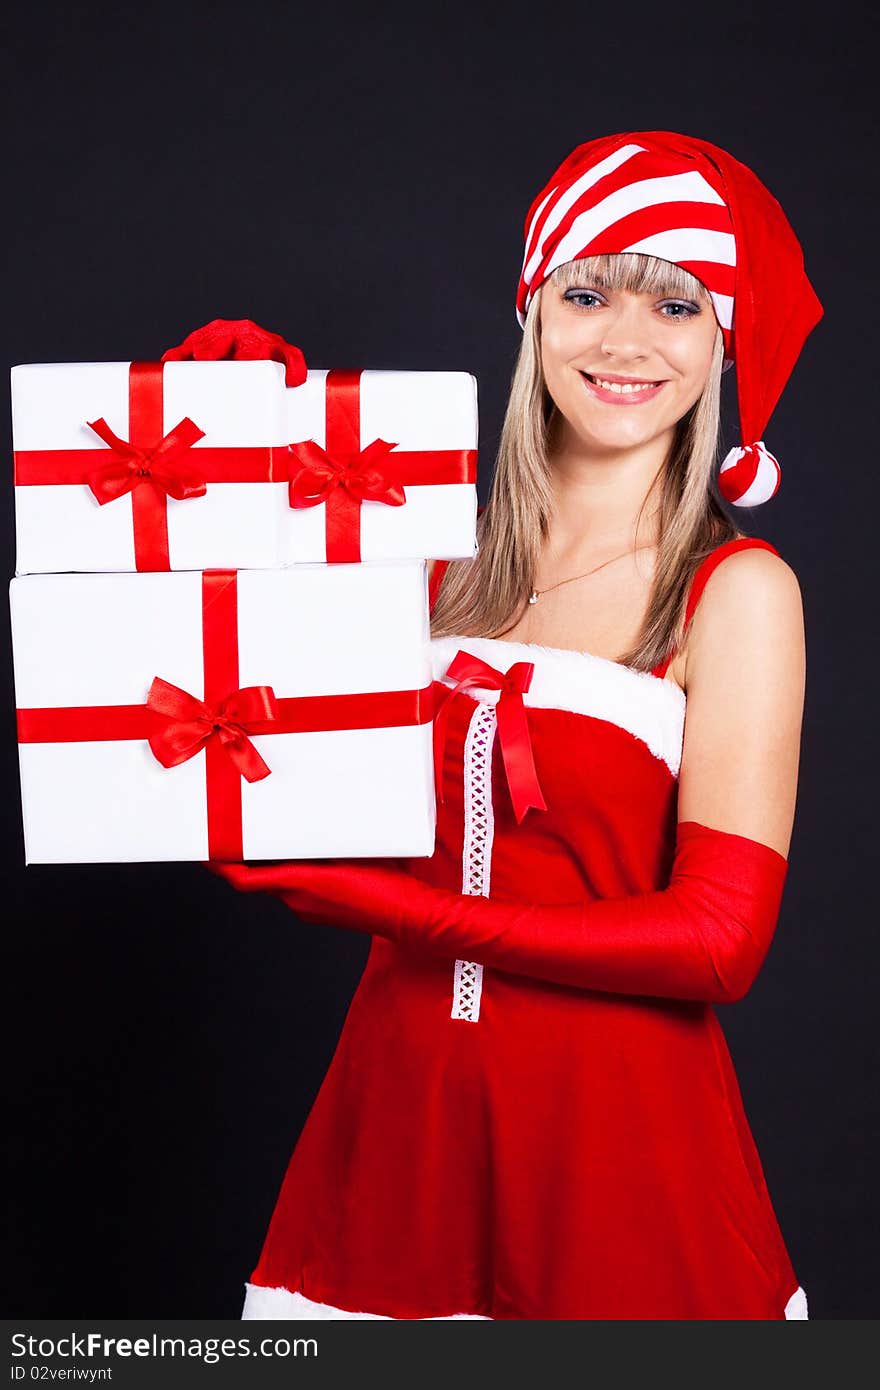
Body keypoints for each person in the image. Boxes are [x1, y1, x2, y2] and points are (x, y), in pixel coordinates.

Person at [198, 129, 823, 1319]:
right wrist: (230, 440)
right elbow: (214, 684)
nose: (625, 340)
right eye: (586, 291)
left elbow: (717, 943)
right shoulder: (423, 558)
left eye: (676, 305)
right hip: (398, 1128)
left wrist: (408, 912)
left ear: (721, 341)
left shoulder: (734, 592)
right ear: (534, 309)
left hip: (622, 1153)